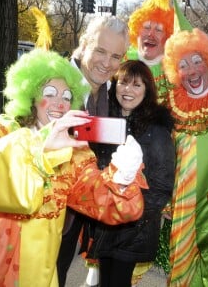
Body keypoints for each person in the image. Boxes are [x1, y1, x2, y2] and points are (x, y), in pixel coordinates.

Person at [0, 49, 147, 286]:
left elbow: (102, 202)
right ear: (30, 96)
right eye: (49, 93)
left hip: (42, 271)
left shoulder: (74, 152)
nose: (60, 103)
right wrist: (43, 148)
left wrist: (122, 177)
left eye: (67, 97)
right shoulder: (5, 131)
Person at [81, 60, 175, 287]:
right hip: (104, 222)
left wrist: (131, 214)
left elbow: (162, 184)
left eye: (136, 85)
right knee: (106, 281)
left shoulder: (157, 128)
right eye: (123, 83)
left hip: (134, 227)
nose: (128, 91)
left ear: (147, 90)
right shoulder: (104, 119)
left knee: (119, 282)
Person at [56, 15, 130, 287]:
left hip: (82, 213)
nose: (106, 63)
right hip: (48, 210)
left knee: (61, 270)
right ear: (84, 44)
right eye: (100, 50)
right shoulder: (55, 83)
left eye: (115, 56)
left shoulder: (112, 92)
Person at [162, 21, 208, 285]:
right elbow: (163, 153)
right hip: (183, 198)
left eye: (196, 61)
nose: (191, 70)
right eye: (183, 65)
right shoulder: (170, 101)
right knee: (182, 259)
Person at [125, 0, 175, 103]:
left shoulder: (174, 70)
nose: (150, 34)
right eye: (146, 27)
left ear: (167, 37)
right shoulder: (121, 60)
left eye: (158, 30)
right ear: (136, 31)